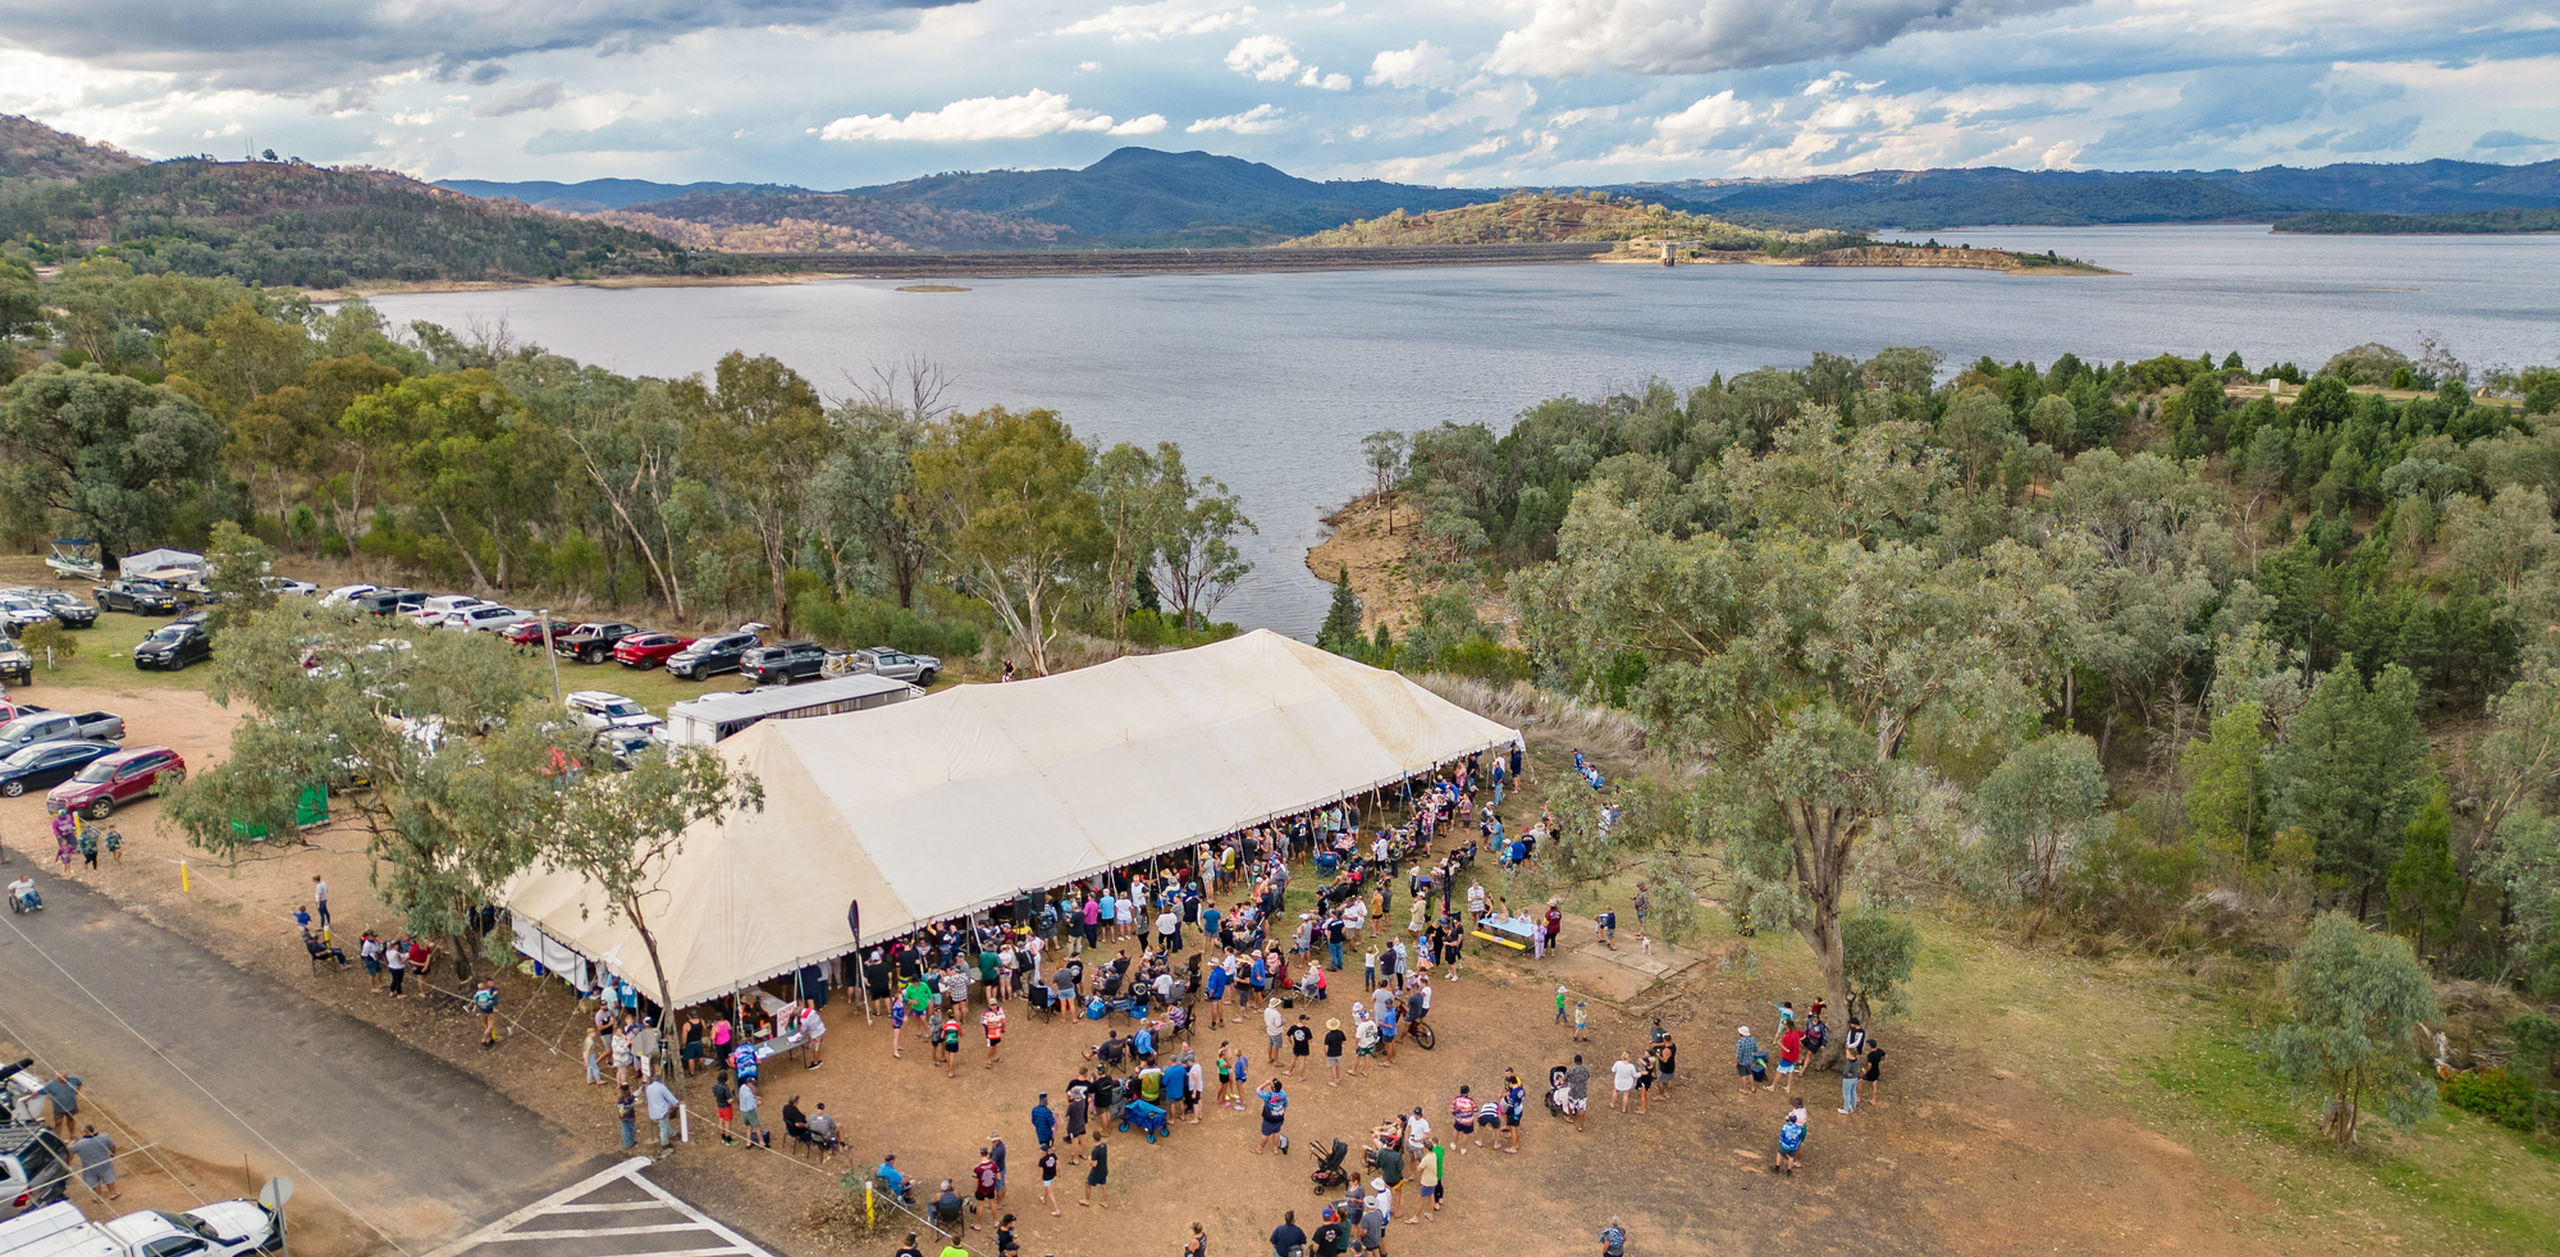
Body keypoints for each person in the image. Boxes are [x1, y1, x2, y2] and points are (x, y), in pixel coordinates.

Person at [67, 1125, 118, 1201]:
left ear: (84, 1133)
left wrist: (69, 1145)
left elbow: (70, 1153)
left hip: (89, 1167)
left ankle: (99, 1196)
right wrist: (112, 1153)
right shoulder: (104, 1137)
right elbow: (113, 1146)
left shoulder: (79, 1144)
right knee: (109, 1177)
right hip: (104, 1163)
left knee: (93, 1182)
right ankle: (113, 1193)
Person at [1255, 1078, 1290, 1154]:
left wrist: (1265, 1083)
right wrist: (1282, 1113)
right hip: (1279, 1117)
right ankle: (1275, 1149)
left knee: (1265, 1134)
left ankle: (1259, 1149)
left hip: (1269, 1118)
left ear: (1274, 1088)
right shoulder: (1283, 1094)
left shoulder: (1269, 1095)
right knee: (1276, 1132)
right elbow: (1285, 1105)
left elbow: (1258, 1090)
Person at [644, 1076, 679, 1149]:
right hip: (661, 1110)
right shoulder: (662, 1088)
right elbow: (670, 1097)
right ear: (661, 1080)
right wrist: (677, 1103)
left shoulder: (649, 1087)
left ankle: (673, 1133)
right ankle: (665, 1143)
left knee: (664, 1124)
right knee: (663, 1127)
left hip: (653, 1110)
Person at [1773, 1101, 1806, 1175]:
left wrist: (1781, 1141)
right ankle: (1789, 1171)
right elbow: (1799, 1138)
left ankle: (1777, 1168)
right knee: (1791, 1158)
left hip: (1785, 1144)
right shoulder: (1799, 1129)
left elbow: (1782, 1134)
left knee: (1780, 1154)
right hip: (1793, 1146)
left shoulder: (1786, 1126)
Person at [1563, 1055, 1591, 1130]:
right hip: (1582, 1092)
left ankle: (1570, 1118)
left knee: (1571, 1105)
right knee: (1582, 1108)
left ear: (1574, 1061)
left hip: (1573, 1091)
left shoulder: (1571, 1070)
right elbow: (1588, 1076)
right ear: (1581, 1061)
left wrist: (1566, 1081)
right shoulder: (1586, 1070)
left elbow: (1565, 1079)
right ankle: (1580, 1126)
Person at [1081, 1138, 1110, 1208]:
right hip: (1104, 1170)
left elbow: (1094, 1164)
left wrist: (1089, 1160)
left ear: (1093, 1139)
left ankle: (1086, 1200)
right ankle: (1105, 1202)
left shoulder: (1095, 1151)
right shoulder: (1104, 1145)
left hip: (1096, 1172)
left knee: (1087, 1184)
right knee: (1103, 1185)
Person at [473, 980, 502, 1048]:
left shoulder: (493, 990)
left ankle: (488, 1039)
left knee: (490, 1027)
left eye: (492, 983)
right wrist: (478, 1006)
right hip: (483, 1012)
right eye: (489, 983)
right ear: (486, 984)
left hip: (490, 1012)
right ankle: (486, 1039)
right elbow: (476, 1000)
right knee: (487, 1027)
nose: (491, 984)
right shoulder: (483, 992)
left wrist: (492, 1007)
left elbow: (494, 1001)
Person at [1735, 1027, 1761, 1094]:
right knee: (1750, 1073)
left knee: (1742, 1075)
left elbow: (1739, 1054)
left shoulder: (1741, 1042)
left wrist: (1736, 1063)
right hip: (1749, 1060)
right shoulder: (1752, 1040)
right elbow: (1755, 1050)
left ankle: (1744, 1089)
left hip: (1742, 1062)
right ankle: (1753, 1088)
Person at [1861, 1039, 1887, 1107]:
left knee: (1860, 1082)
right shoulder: (1879, 1051)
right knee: (1874, 1084)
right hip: (1876, 1071)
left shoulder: (1870, 1055)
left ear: (1870, 1046)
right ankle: (1874, 1100)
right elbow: (1886, 1055)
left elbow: (1869, 1065)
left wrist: (1865, 1072)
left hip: (1870, 1072)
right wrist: (1881, 1061)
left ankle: (1858, 1098)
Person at [1038, 1144, 1061, 1216]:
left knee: (1051, 1193)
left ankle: (1057, 1210)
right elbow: (1058, 1163)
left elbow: (1041, 1172)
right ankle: (1044, 1198)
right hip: (1052, 1175)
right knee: (1047, 1189)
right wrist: (1059, 1173)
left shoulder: (1042, 1161)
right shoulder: (1053, 1155)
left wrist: (1042, 1178)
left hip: (1047, 1178)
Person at [1323, 1018, 1346, 1085]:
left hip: (1331, 1053)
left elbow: (1326, 1046)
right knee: (1337, 1066)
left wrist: (1326, 1053)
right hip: (1339, 1052)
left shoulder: (1328, 1035)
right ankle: (1338, 1078)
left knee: (1333, 1067)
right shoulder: (1341, 1033)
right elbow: (1344, 1041)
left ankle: (1334, 1081)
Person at [616, 1086, 638, 1150]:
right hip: (630, 1116)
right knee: (631, 1128)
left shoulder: (620, 1099)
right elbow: (636, 1094)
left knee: (624, 1130)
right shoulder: (630, 1098)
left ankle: (626, 1144)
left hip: (622, 1116)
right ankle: (632, 1141)